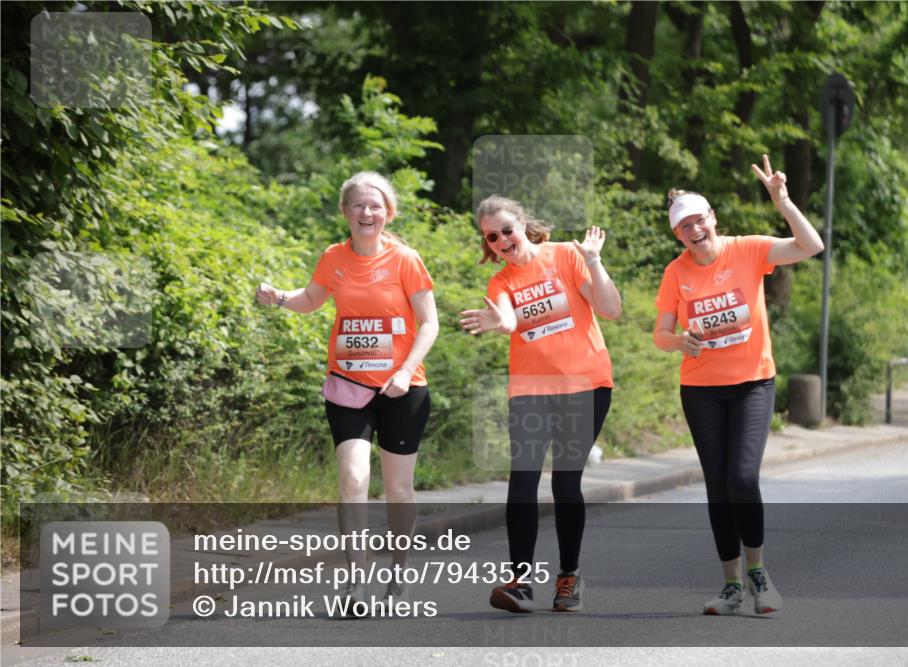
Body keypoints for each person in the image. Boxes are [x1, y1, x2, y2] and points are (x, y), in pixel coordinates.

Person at [256, 171, 439, 611]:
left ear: (388, 212)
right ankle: (355, 583)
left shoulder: (405, 259)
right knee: (353, 478)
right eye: (357, 205)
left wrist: (405, 369)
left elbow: (430, 323)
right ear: (345, 212)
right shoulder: (334, 257)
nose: (366, 212)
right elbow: (313, 299)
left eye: (375, 205)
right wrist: (280, 297)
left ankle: (399, 577)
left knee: (399, 490)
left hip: (402, 389)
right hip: (348, 386)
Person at [653, 155, 824, 615]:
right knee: (717, 486)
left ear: (713, 219)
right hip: (701, 389)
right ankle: (730, 587)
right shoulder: (676, 273)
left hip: (752, 383)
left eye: (699, 219)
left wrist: (783, 201)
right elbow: (660, 333)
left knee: (742, 478)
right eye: (684, 225)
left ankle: (758, 574)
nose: (694, 229)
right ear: (677, 234)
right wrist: (679, 341)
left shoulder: (746, 249)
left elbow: (811, 246)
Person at [460, 195, 622, 613]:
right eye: (491, 237)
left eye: (506, 231)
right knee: (523, 479)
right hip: (531, 391)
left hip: (585, 385)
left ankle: (568, 576)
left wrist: (594, 262)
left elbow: (611, 309)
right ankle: (519, 582)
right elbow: (511, 319)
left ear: (523, 225)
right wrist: (500, 323)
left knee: (565, 484)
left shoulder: (568, 255)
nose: (501, 241)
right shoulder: (500, 283)